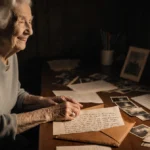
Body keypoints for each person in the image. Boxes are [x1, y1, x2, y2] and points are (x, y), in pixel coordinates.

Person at [0, 0, 83, 149]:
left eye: (30, 22)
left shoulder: (10, 53)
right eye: (21, 22)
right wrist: (49, 113)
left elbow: (14, 94)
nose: (30, 31)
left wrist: (43, 101)